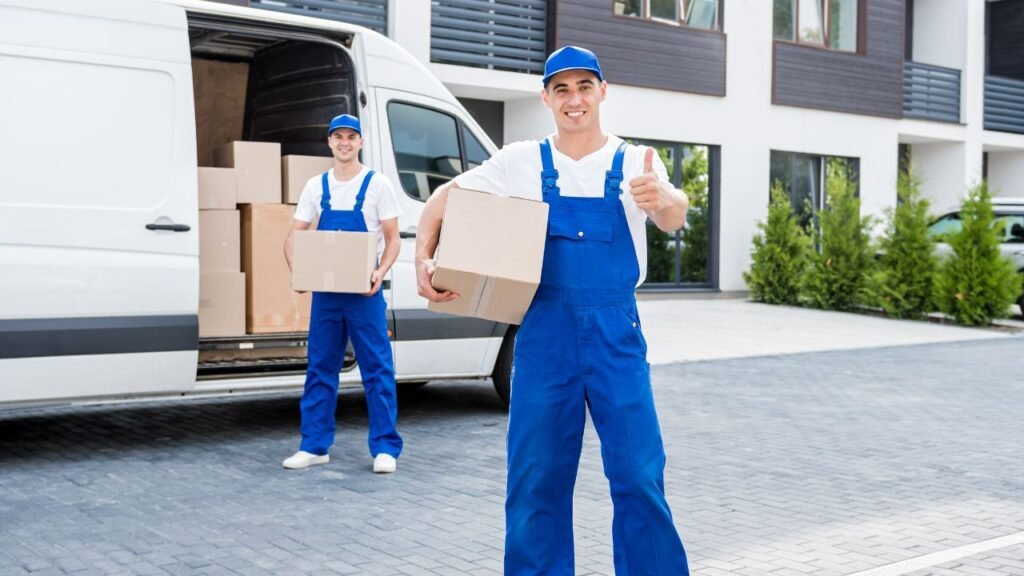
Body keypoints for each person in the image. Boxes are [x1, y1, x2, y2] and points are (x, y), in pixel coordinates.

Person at [415, 46, 690, 574]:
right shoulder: (521, 161)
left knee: (638, 475)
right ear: (546, 97)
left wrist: (662, 200)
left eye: (584, 86)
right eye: (561, 89)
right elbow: (446, 197)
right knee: (536, 478)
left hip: (617, 334)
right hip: (544, 335)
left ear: (602, 92)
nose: (574, 99)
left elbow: (674, 216)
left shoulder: (635, 162)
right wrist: (422, 255)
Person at [282, 114, 404, 474]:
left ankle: (385, 448)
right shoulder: (315, 187)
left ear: (361, 142)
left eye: (352, 137)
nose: (345, 142)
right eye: (339, 137)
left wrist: (380, 273)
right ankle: (314, 445)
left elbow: (394, 238)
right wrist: (299, 273)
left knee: (377, 369)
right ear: (330, 142)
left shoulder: (377, 184)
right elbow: (294, 236)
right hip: (326, 294)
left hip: (364, 293)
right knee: (320, 367)